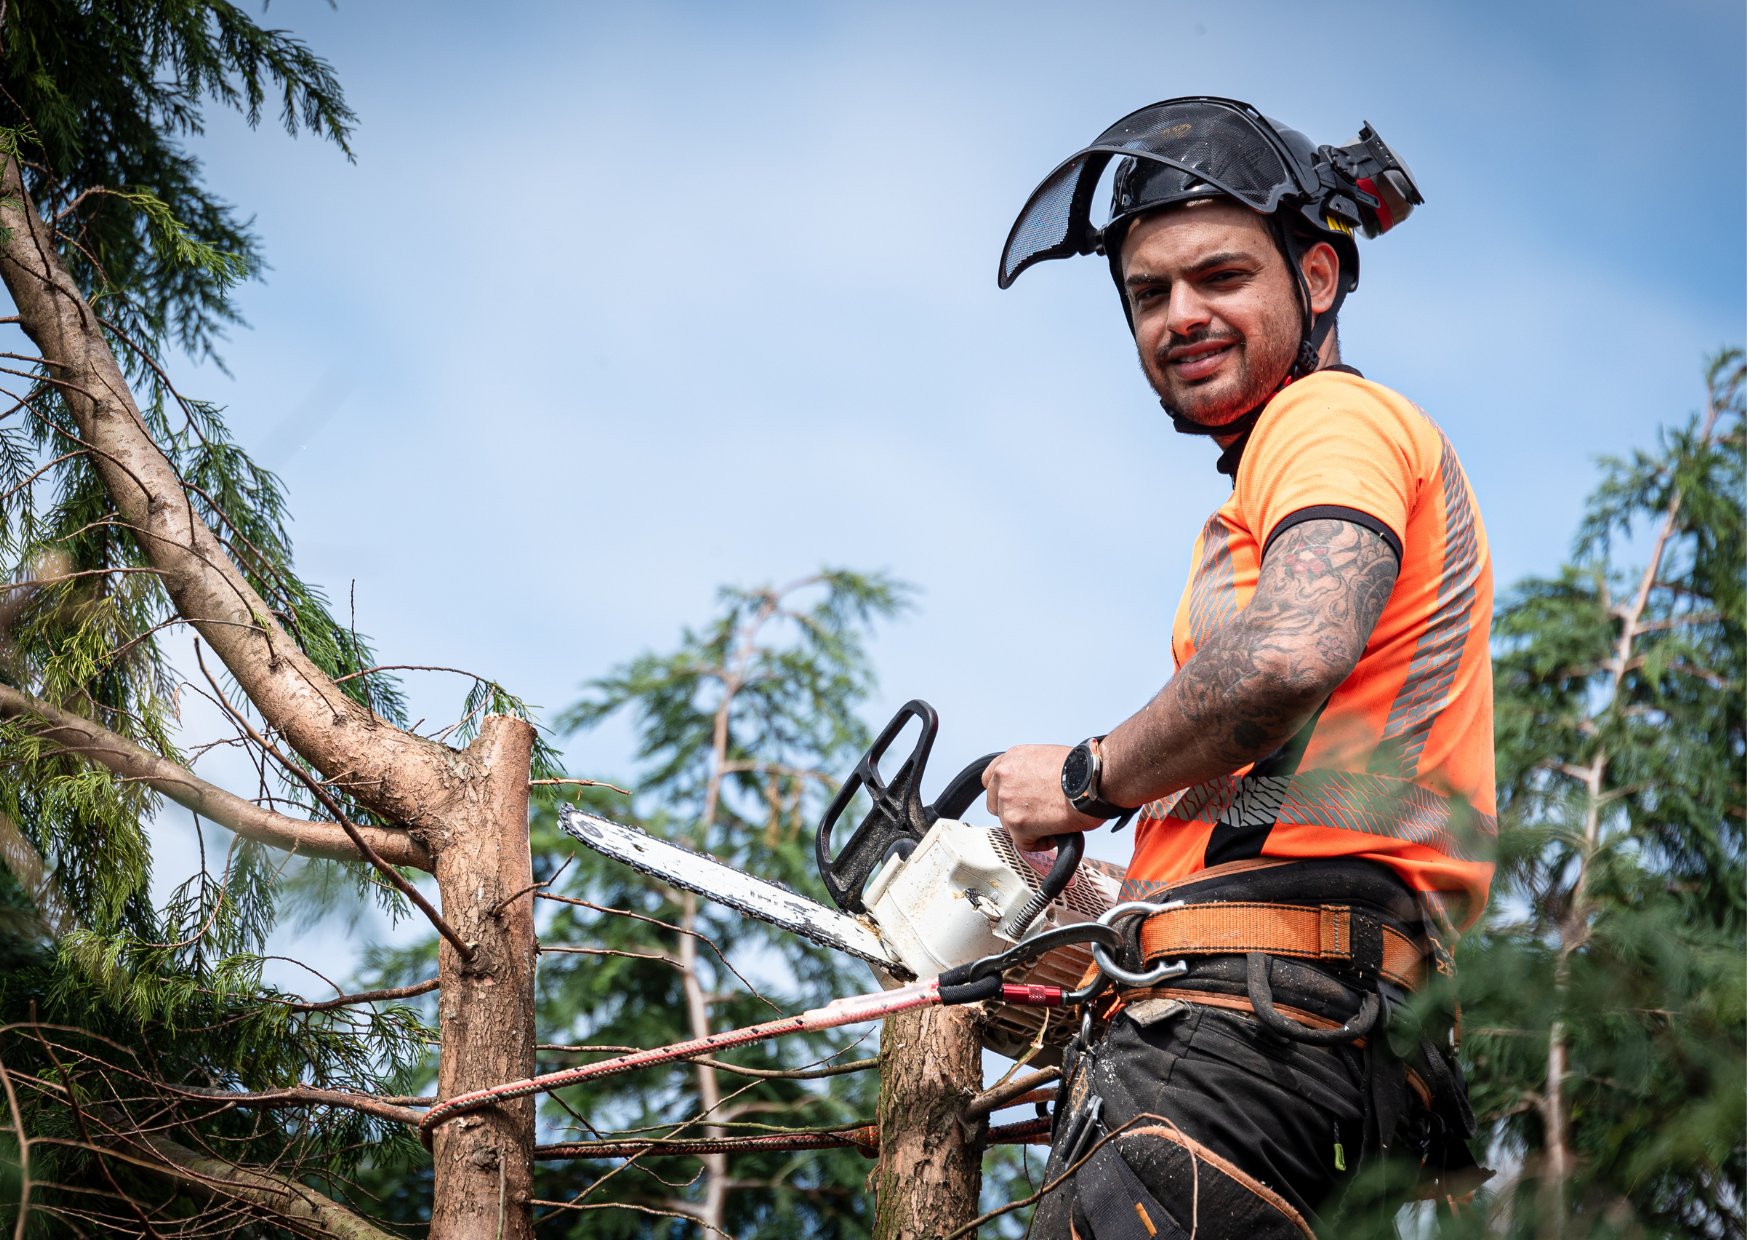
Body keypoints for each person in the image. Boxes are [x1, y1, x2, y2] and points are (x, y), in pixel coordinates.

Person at [982, 98, 1495, 1238]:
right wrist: (1099, 911)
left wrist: (1083, 777)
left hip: (1251, 1039)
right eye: (1146, 294)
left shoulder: (1325, 422)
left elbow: (1291, 653)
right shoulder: (1283, 460)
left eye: (1218, 276)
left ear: (1315, 277)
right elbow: (1297, 808)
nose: (1179, 315)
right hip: (1308, 1031)